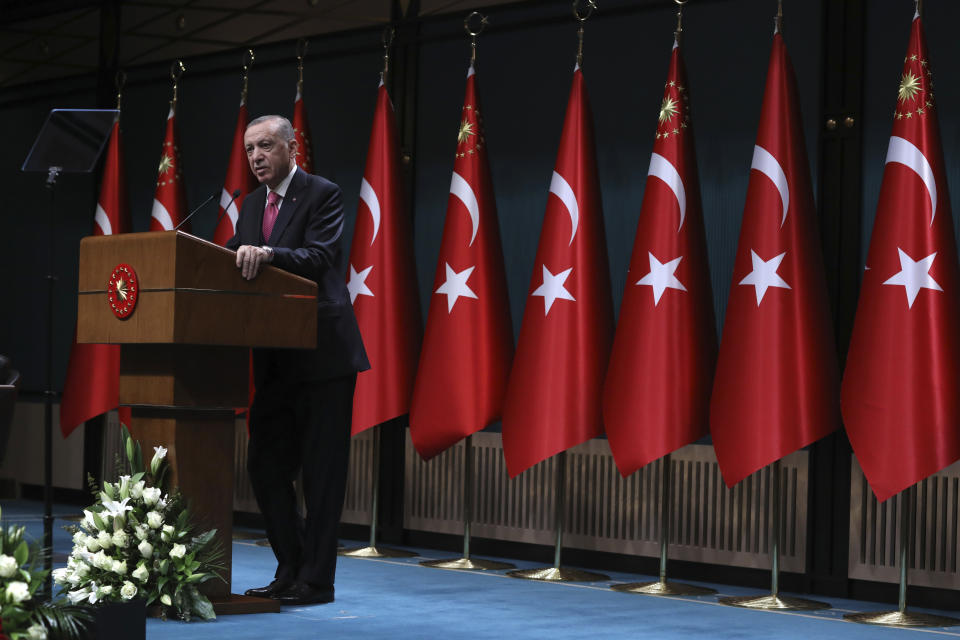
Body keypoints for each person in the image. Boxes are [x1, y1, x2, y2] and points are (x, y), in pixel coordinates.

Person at [226, 115, 369, 605]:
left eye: (265, 146)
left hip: (322, 355)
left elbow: (320, 256)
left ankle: (317, 581)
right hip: (274, 359)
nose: (256, 157)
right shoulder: (248, 205)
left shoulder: (322, 192)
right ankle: (290, 565)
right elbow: (230, 256)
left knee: (322, 475)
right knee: (265, 467)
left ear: (291, 148)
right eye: (249, 150)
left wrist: (267, 254)